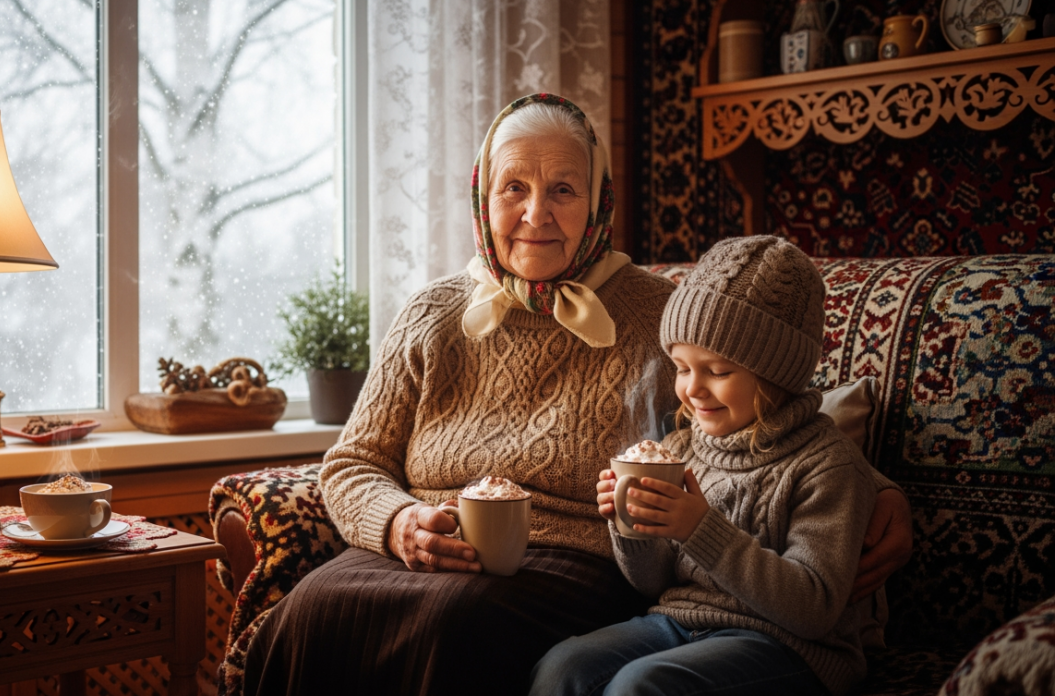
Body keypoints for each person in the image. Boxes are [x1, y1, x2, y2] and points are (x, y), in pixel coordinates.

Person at [241, 95, 911, 696]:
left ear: (597, 202)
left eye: (563, 188)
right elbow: (353, 461)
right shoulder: (430, 315)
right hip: (421, 550)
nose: (536, 214)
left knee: (455, 623)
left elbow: (759, 413)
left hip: (572, 566)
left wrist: (880, 489)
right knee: (311, 609)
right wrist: (396, 524)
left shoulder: (660, 315)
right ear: (483, 198)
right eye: (514, 188)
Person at [530, 236, 878, 696]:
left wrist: (699, 528)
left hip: (788, 646)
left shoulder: (826, 464)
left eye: (717, 371)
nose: (692, 389)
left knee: (642, 685)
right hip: (678, 623)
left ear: (777, 375)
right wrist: (629, 524)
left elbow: (813, 609)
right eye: (681, 367)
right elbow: (652, 582)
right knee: (563, 666)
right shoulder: (682, 447)